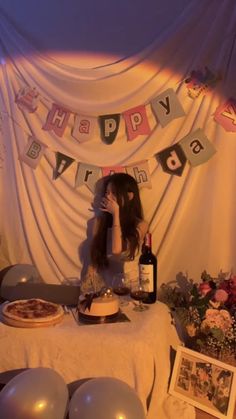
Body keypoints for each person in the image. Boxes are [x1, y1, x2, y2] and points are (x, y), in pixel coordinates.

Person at [81, 173, 148, 293]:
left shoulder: (141, 225)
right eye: (107, 192)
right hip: (105, 288)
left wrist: (116, 214)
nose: (108, 197)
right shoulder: (99, 222)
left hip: (131, 288)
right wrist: (89, 279)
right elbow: (94, 258)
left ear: (129, 196)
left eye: (114, 193)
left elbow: (117, 250)